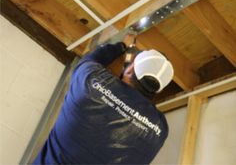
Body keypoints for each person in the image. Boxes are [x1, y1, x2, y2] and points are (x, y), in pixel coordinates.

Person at [33, 34, 174, 165]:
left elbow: (91, 59)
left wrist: (122, 46)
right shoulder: (160, 130)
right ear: (158, 90)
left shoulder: (90, 81)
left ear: (130, 70)